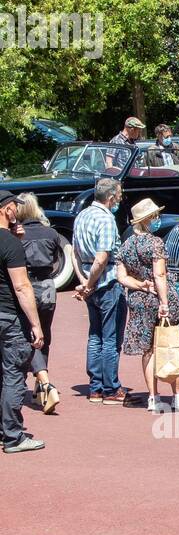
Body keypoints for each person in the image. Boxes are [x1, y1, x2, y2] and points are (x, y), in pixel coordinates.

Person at [117, 197, 179, 414]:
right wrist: (164, 302)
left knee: (148, 350)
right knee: (169, 346)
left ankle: (153, 396)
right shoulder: (155, 243)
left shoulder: (126, 245)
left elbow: (121, 276)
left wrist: (140, 285)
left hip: (139, 301)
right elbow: (160, 274)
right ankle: (177, 395)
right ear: (150, 219)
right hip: (160, 298)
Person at [72, 177, 129, 404]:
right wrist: (91, 282)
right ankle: (110, 388)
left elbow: (74, 252)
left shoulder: (82, 215)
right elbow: (102, 257)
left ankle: (95, 386)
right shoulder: (106, 219)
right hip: (106, 282)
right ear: (111, 197)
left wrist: (84, 282)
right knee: (110, 337)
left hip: (90, 280)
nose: (120, 199)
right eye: (119, 195)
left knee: (95, 334)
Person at [0, 189, 45, 454]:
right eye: (14, 207)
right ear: (7, 210)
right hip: (8, 315)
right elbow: (22, 286)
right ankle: (13, 436)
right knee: (14, 374)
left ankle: (4, 429)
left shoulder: (11, 240)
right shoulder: (10, 244)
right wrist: (36, 324)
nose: (17, 211)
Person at [14, 193, 67, 413]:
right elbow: (56, 258)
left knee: (30, 334)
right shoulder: (51, 232)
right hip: (47, 286)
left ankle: (44, 381)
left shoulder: (17, 235)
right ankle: (40, 385)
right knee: (45, 333)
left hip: (27, 284)